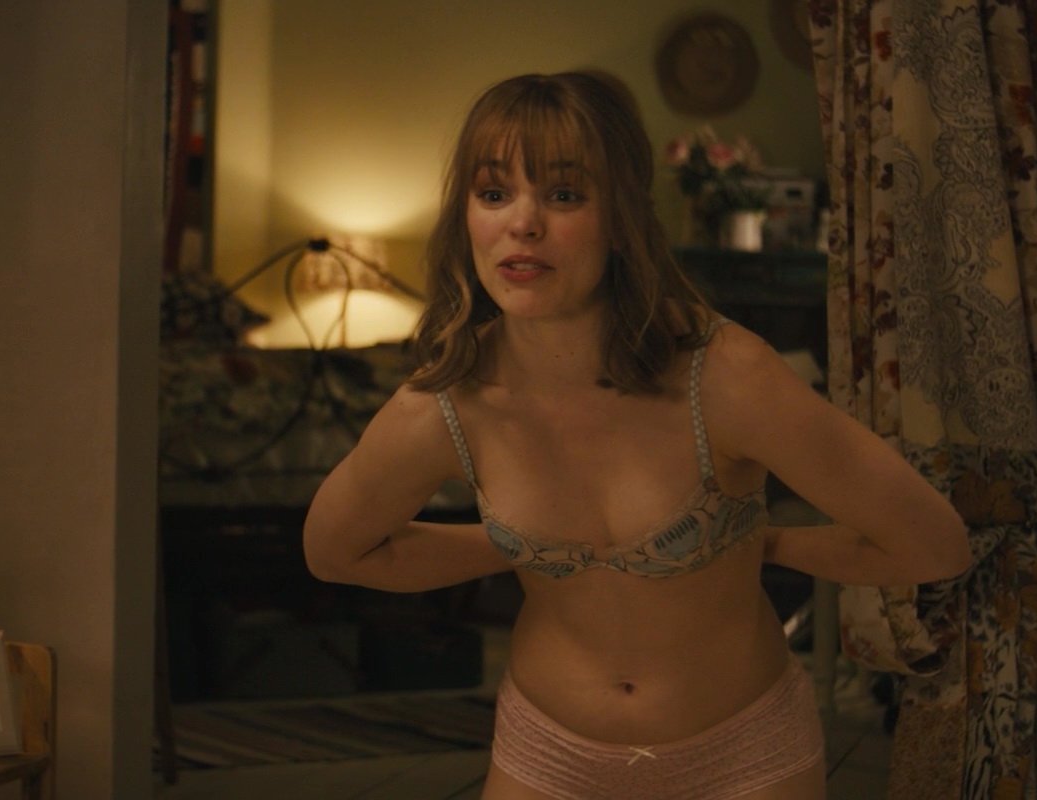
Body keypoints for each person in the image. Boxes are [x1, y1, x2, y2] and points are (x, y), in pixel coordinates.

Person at [303, 72, 969, 800]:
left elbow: (931, 544)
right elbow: (336, 552)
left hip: (742, 754)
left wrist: (766, 543)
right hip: (548, 756)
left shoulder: (725, 377)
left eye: (563, 195)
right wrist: (513, 543)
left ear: (620, 216)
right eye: (493, 193)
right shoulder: (447, 403)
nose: (523, 224)